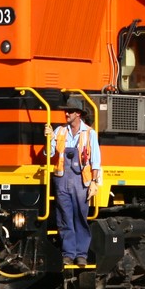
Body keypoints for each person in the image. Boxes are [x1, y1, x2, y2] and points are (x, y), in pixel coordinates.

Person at [45, 96, 102, 266]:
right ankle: (68, 254)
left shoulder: (90, 133)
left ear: (78, 114)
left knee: (80, 217)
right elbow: (48, 155)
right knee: (65, 218)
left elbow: (96, 160)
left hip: (80, 180)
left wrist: (94, 182)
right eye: (65, 111)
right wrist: (48, 140)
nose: (66, 114)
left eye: (69, 111)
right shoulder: (59, 131)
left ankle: (81, 254)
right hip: (62, 179)